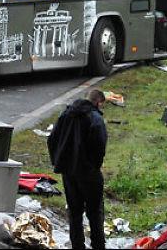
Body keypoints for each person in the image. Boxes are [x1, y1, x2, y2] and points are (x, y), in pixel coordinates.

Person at [47, 89, 107, 250]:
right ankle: (98, 246)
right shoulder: (95, 118)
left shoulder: (66, 114)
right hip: (88, 173)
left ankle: (77, 246)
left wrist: (58, 161)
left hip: (68, 172)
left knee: (74, 212)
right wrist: (94, 166)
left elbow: (52, 139)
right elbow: (100, 145)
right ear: (98, 102)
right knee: (95, 212)